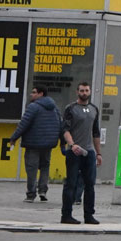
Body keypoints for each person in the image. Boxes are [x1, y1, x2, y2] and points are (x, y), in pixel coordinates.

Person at [9, 83, 62, 202]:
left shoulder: (33, 107)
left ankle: (31, 194)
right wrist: (62, 141)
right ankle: (43, 191)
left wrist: (14, 138)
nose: (31, 94)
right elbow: (60, 124)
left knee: (31, 169)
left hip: (33, 143)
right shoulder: (54, 107)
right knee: (44, 167)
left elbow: (24, 124)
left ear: (40, 94)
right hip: (48, 144)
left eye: (33, 92)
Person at [60, 81, 102, 225]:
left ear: (90, 92)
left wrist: (98, 153)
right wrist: (72, 145)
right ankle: (66, 215)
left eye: (86, 91)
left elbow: (96, 133)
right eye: (82, 91)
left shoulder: (94, 109)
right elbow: (65, 129)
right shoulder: (71, 109)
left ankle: (89, 215)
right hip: (74, 151)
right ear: (77, 92)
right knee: (70, 183)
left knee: (90, 184)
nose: (84, 93)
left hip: (89, 151)